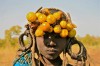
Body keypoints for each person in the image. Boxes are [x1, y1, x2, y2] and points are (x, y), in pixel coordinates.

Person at [13, 7, 87, 66]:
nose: (51, 43)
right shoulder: (22, 64)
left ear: (67, 41)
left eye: (58, 37)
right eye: (45, 36)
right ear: (34, 38)